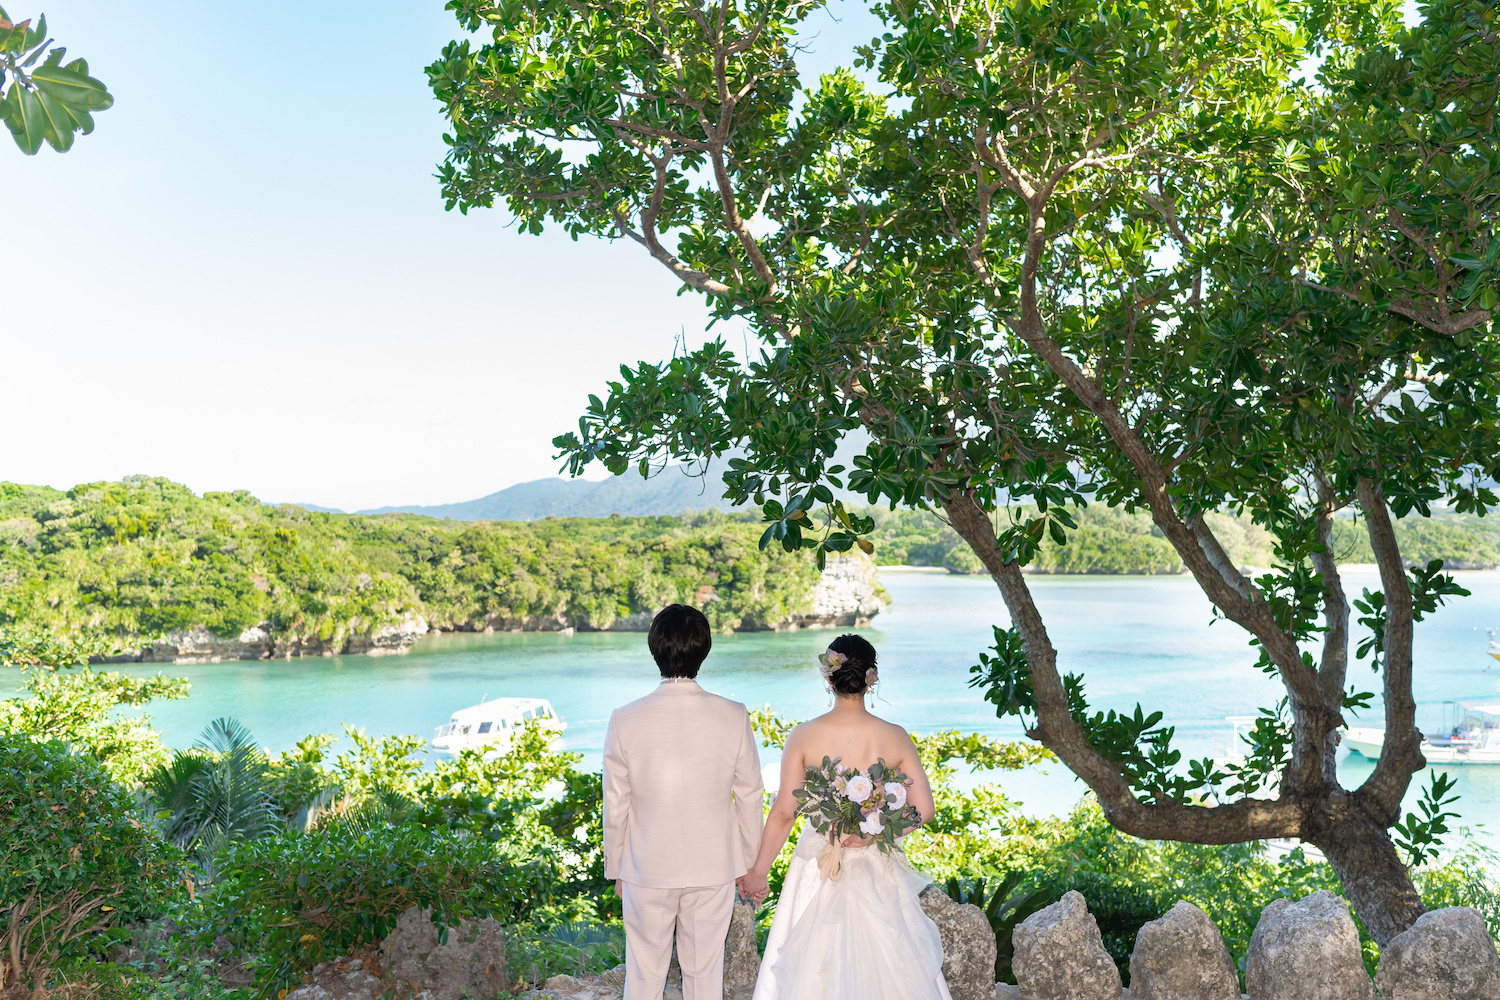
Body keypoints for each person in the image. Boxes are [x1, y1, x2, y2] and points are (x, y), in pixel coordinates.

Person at [742, 633, 949, 1000]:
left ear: (828, 677)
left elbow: (784, 814)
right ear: (872, 679)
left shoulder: (803, 736)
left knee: (813, 966)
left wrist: (757, 873)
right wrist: (874, 832)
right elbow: (925, 810)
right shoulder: (895, 736)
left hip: (818, 864)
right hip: (877, 863)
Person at [603, 604, 765, 1000]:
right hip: (714, 866)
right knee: (704, 973)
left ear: (655, 648)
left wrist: (617, 866)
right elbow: (749, 794)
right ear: (703, 649)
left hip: (646, 865)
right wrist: (748, 862)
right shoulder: (733, 714)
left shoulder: (625, 718)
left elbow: (616, 802)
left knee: (643, 975)